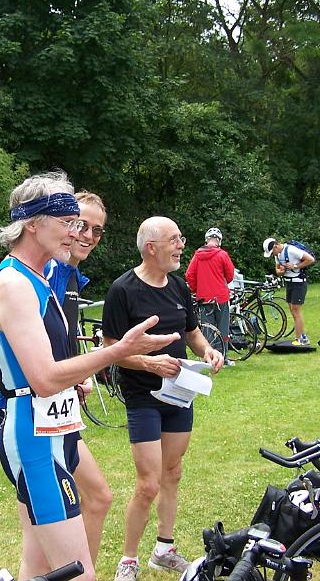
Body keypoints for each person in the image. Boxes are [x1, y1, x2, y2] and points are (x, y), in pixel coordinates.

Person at [0, 172, 179, 581]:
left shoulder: (40, 278)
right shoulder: (14, 284)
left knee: (38, 567)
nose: (76, 233)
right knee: (79, 574)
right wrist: (117, 351)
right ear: (32, 223)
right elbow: (43, 378)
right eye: (67, 221)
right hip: (35, 438)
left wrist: (91, 365)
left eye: (82, 224)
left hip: (58, 429)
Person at [102, 216, 224, 581]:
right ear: (151, 247)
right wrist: (149, 364)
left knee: (172, 472)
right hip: (143, 395)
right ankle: (128, 559)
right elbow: (110, 350)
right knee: (148, 482)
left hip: (180, 393)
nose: (181, 245)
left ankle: (164, 549)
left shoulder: (178, 286)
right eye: (174, 239)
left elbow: (192, 332)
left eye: (181, 238)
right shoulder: (122, 290)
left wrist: (207, 351)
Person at [44, 190, 112, 567]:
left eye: (97, 231)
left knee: (96, 498)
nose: (87, 235)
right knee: (91, 500)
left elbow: (61, 338)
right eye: (80, 225)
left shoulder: (69, 273)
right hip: (40, 415)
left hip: (60, 410)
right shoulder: (49, 271)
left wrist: (80, 369)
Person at [185, 227, 235, 363]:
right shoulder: (222, 255)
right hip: (221, 298)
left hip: (204, 298)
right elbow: (230, 275)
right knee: (222, 329)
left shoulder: (197, 256)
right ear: (219, 241)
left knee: (208, 331)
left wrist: (197, 289)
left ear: (206, 241)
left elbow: (189, 275)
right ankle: (223, 358)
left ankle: (210, 358)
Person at [262, 237, 315, 346]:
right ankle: (300, 335)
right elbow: (278, 270)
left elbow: (310, 259)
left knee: (296, 310)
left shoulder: (291, 250)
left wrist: (295, 266)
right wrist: (281, 271)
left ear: (276, 246)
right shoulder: (278, 255)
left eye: (273, 252)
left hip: (298, 282)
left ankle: (301, 338)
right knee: (292, 309)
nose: (273, 255)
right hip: (289, 283)